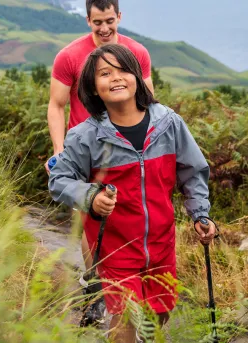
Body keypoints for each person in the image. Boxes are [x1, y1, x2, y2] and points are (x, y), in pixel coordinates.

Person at [48, 44, 217, 342]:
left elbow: (192, 171)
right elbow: (59, 179)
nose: (116, 78)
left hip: (162, 244)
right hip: (115, 248)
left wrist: (200, 214)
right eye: (105, 73)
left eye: (123, 70)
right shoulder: (86, 136)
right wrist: (90, 196)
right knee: (125, 316)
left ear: (137, 77)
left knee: (160, 312)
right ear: (93, 87)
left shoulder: (169, 124)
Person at [46, 0, 154, 273]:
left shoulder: (137, 53)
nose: (104, 28)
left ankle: (126, 279)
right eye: (97, 22)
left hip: (128, 147)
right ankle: (95, 286)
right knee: (89, 217)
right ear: (88, 21)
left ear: (119, 16)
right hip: (85, 150)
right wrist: (59, 150)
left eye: (109, 21)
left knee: (129, 216)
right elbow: (56, 106)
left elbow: (148, 102)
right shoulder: (69, 57)